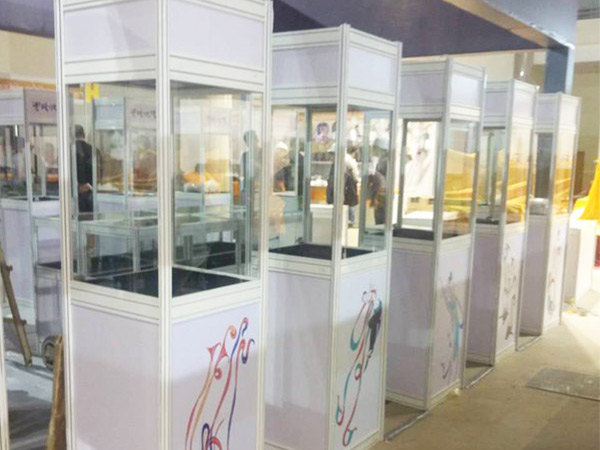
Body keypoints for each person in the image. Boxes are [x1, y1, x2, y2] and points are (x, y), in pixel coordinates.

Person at [75, 125, 94, 214]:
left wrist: (78, 186)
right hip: (91, 192)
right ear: (84, 134)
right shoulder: (93, 150)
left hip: (75, 194)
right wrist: (89, 185)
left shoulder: (66, 151)